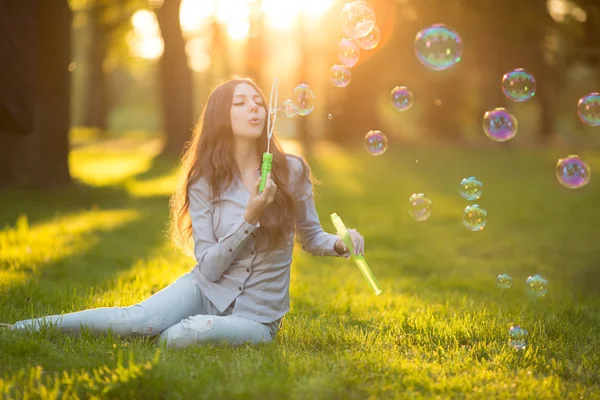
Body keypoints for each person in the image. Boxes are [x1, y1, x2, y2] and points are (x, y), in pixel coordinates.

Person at [3, 77, 366, 348]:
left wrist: (340, 243)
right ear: (221, 116)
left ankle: (177, 330)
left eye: (258, 102)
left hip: (257, 317)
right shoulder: (205, 181)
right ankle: (23, 329)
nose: (255, 108)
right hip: (205, 289)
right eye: (241, 103)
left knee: (178, 337)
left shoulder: (293, 171)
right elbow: (208, 267)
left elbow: (313, 235)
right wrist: (249, 218)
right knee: (135, 319)